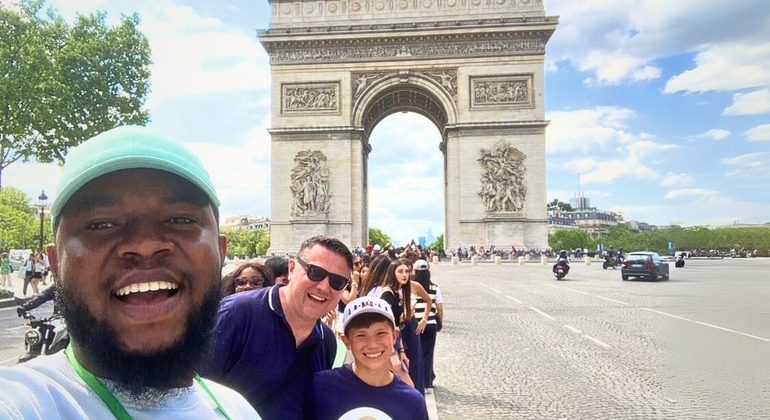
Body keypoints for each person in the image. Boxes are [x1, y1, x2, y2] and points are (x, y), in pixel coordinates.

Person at [0, 125, 259, 419]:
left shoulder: (238, 409)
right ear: (56, 263)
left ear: (220, 253)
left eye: (180, 219)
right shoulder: (19, 404)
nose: (145, 244)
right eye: (101, 224)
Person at [205, 235, 353, 419]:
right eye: (315, 272)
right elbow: (192, 391)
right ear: (291, 269)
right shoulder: (236, 313)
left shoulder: (327, 341)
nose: (323, 287)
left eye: (337, 281)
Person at [310, 296, 429, 420]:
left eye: (380, 333)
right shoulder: (321, 386)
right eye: (361, 335)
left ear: (394, 336)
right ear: (346, 341)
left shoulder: (412, 402)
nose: (372, 344)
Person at [413, 259, 444, 388]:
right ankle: (427, 381)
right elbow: (440, 308)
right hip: (430, 323)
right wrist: (440, 322)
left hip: (414, 323)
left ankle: (416, 380)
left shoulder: (411, 287)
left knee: (415, 353)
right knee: (428, 354)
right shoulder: (434, 288)